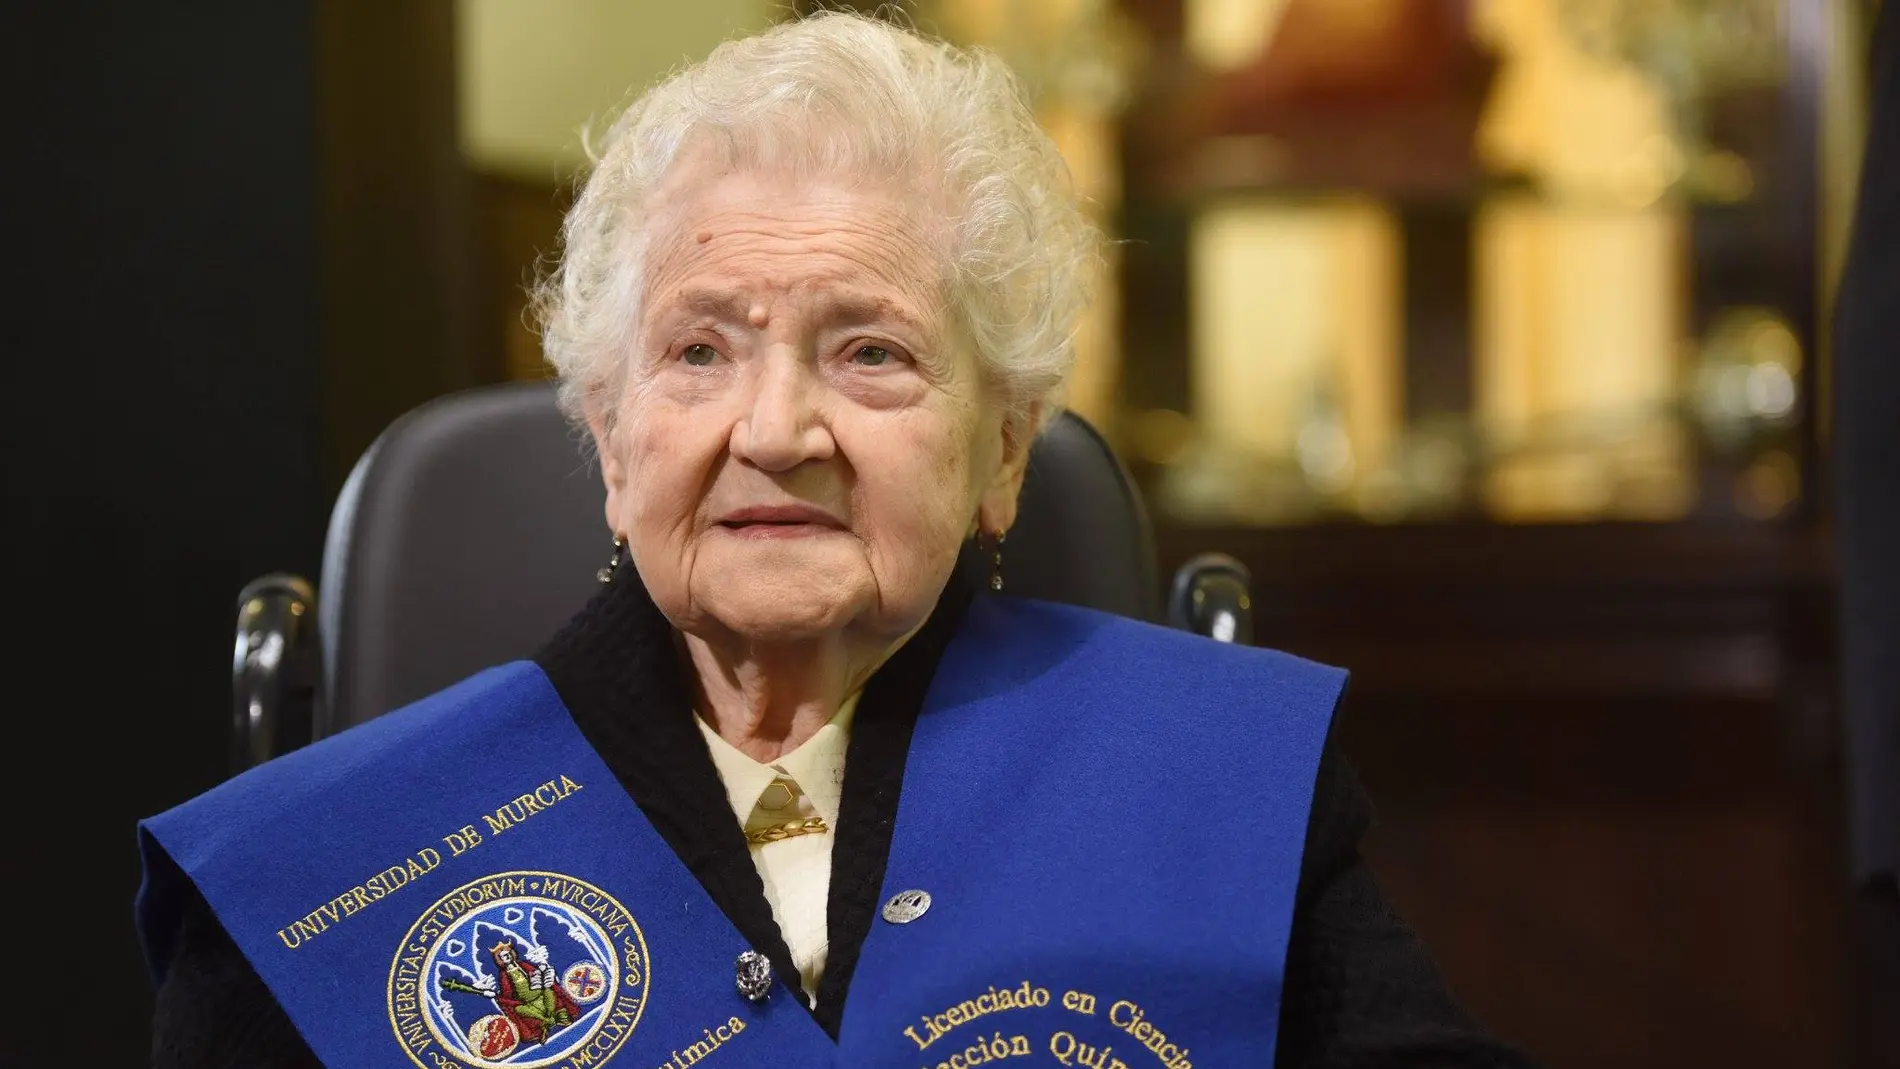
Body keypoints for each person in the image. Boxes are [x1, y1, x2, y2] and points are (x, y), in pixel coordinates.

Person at [137, 13, 1538, 1068]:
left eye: (870, 353)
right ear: (613, 441)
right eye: (701, 352)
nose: (777, 428)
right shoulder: (323, 879)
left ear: (1001, 452)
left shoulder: (1214, 787)